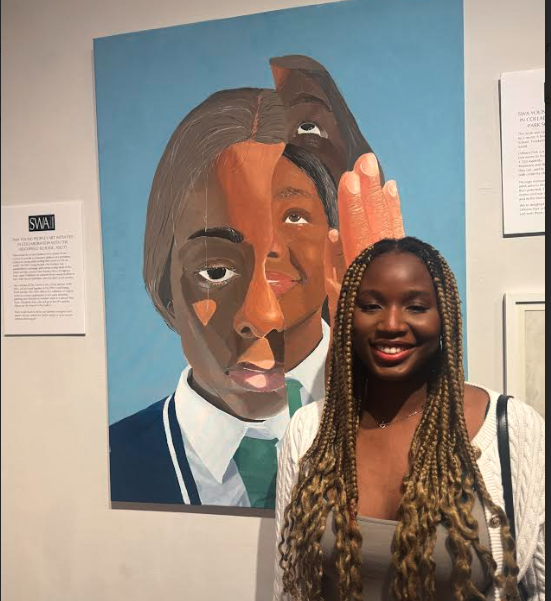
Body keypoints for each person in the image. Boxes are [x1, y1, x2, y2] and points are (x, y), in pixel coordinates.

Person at [109, 62, 403, 508]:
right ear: (166, 287)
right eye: (215, 273)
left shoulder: (410, 431)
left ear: (337, 254)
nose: (262, 316)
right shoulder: (117, 462)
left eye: (281, 269)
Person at [274, 237, 545, 600]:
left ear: (444, 317)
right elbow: (290, 586)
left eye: (416, 307)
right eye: (371, 305)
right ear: (349, 318)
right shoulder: (310, 431)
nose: (391, 324)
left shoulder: (511, 428)